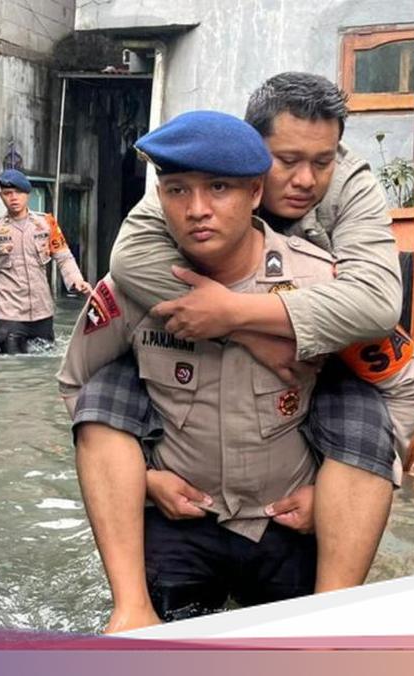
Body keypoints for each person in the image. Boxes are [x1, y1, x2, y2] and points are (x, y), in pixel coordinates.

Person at [72, 73, 414, 632]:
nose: (306, 179)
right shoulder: (166, 227)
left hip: (287, 509)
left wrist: (345, 494)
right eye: (286, 160)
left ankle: (331, 624)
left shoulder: (327, 266)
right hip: (185, 507)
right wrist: (143, 479)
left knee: (360, 411)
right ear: (250, 157)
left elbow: (388, 331)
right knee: (105, 393)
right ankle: (131, 607)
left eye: (322, 161)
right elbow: (84, 369)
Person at [59, 110, 329, 622]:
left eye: (219, 187)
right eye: (177, 190)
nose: (197, 209)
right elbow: (75, 383)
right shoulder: (131, 291)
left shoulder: (317, 284)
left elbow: (398, 390)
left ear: (255, 193)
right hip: (181, 518)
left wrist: (333, 498)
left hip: (289, 520)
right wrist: (144, 481)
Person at [0, 169, 91, 353]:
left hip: (43, 313)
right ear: (1, 196)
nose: (13, 198)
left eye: (18, 193)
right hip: (9, 315)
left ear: (27, 194)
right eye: (8, 194)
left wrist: (76, 281)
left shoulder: (47, 224)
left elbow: (64, 258)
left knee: (41, 374)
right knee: (10, 371)